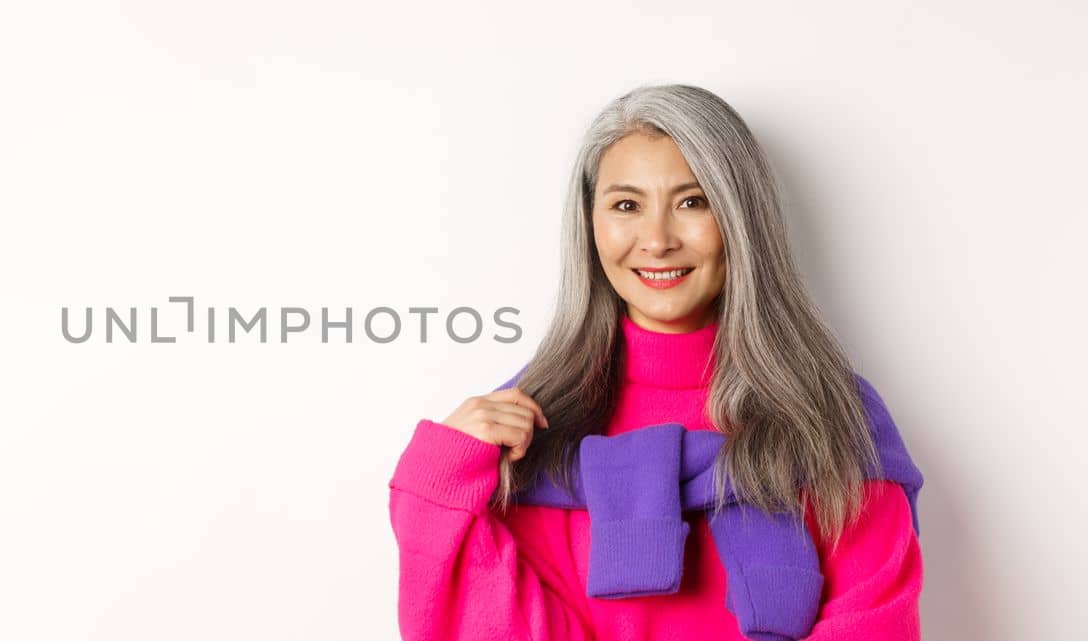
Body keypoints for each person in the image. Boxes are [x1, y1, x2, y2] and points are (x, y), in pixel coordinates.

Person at [386, 84, 923, 640]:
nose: (658, 240)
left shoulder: (831, 414)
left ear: (741, 220)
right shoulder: (533, 425)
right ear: (590, 226)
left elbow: (875, 618)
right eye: (626, 206)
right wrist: (439, 473)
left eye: (693, 202)